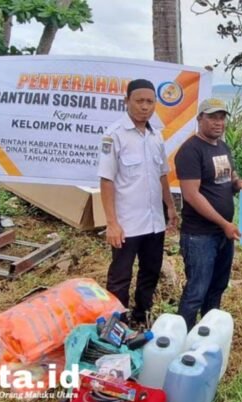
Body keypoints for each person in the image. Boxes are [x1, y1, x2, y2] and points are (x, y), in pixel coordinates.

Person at [98, 79, 179, 327]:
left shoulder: (155, 137)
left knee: (150, 272)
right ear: (127, 102)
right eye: (139, 101)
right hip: (127, 223)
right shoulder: (114, 136)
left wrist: (171, 207)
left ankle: (141, 315)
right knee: (120, 276)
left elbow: (162, 175)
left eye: (150, 102)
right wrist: (112, 223)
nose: (145, 107)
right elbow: (106, 180)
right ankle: (117, 323)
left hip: (154, 222)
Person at [174, 98, 242, 330]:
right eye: (212, 117)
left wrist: (239, 183)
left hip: (223, 234)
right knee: (196, 291)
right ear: (200, 119)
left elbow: (228, 176)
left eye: (222, 117)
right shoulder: (190, 151)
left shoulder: (222, 147)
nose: (218, 123)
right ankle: (181, 338)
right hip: (200, 235)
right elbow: (191, 195)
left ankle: (205, 335)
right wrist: (223, 223)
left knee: (217, 287)